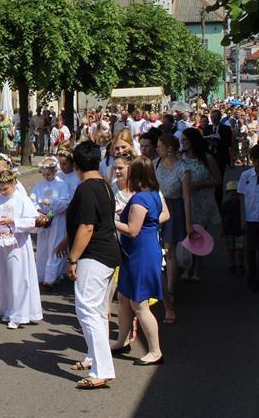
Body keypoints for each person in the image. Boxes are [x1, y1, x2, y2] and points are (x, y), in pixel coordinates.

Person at [59, 140, 121, 389]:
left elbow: (87, 227)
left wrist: (73, 258)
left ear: (76, 164)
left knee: (87, 310)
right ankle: (95, 358)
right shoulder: (103, 184)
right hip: (105, 254)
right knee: (95, 311)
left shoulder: (86, 189)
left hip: (94, 256)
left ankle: (102, 369)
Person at [112, 156, 169, 366]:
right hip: (139, 253)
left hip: (140, 256)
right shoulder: (153, 194)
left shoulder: (139, 199)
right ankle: (121, 340)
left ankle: (155, 350)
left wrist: (112, 220)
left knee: (140, 304)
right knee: (125, 298)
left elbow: (132, 230)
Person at [0, 170, 42, 330]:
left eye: (5, 189)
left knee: (18, 279)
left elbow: (33, 221)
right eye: (0, 189)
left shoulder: (22, 200)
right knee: (4, 278)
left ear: (13, 184)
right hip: (1, 245)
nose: (2, 192)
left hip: (17, 245)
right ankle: (7, 309)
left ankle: (19, 314)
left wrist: (14, 221)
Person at [154, 134, 193, 325]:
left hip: (174, 208)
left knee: (169, 250)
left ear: (169, 148)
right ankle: (156, 286)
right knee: (156, 248)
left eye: (160, 146)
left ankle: (169, 289)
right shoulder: (156, 164)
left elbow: (186, 198)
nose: (157, 148)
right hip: (157, 206)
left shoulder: (182, 168)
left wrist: (188, 222)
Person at [180, 128, 221, 282]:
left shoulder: (207, 159)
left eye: (185, 140)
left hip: (203, 202)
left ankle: (197, 267)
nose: (182, 143)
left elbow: (218, 180)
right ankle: (187, 266)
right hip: (187, 200)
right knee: (187, 233)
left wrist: (199, 185)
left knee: (200, 235)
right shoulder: (181, 158)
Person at [31, 157, 71, 288]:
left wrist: (53, 202)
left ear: (55, 171)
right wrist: (38, 211)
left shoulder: (62, 185)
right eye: (44, 174)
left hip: (57, 218)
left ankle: (51, 277)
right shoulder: (39, 185)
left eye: (49, 174)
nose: (46, 177)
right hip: (44, 219)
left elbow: (65, 202)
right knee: (42, 247)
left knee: (55, 246)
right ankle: (41, 275)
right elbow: (33, 200)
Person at [220, 181, 244, 275]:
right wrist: (222, 229)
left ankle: (241, 264)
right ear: (228, 194)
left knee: (240, 248)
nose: (234, 195)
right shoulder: (225, 205)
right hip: (228, 230)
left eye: (236, 193)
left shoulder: (242, 204)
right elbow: (222, 218)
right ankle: (232, 264)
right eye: (231, 193)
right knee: (231, 249)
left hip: (240, 230)